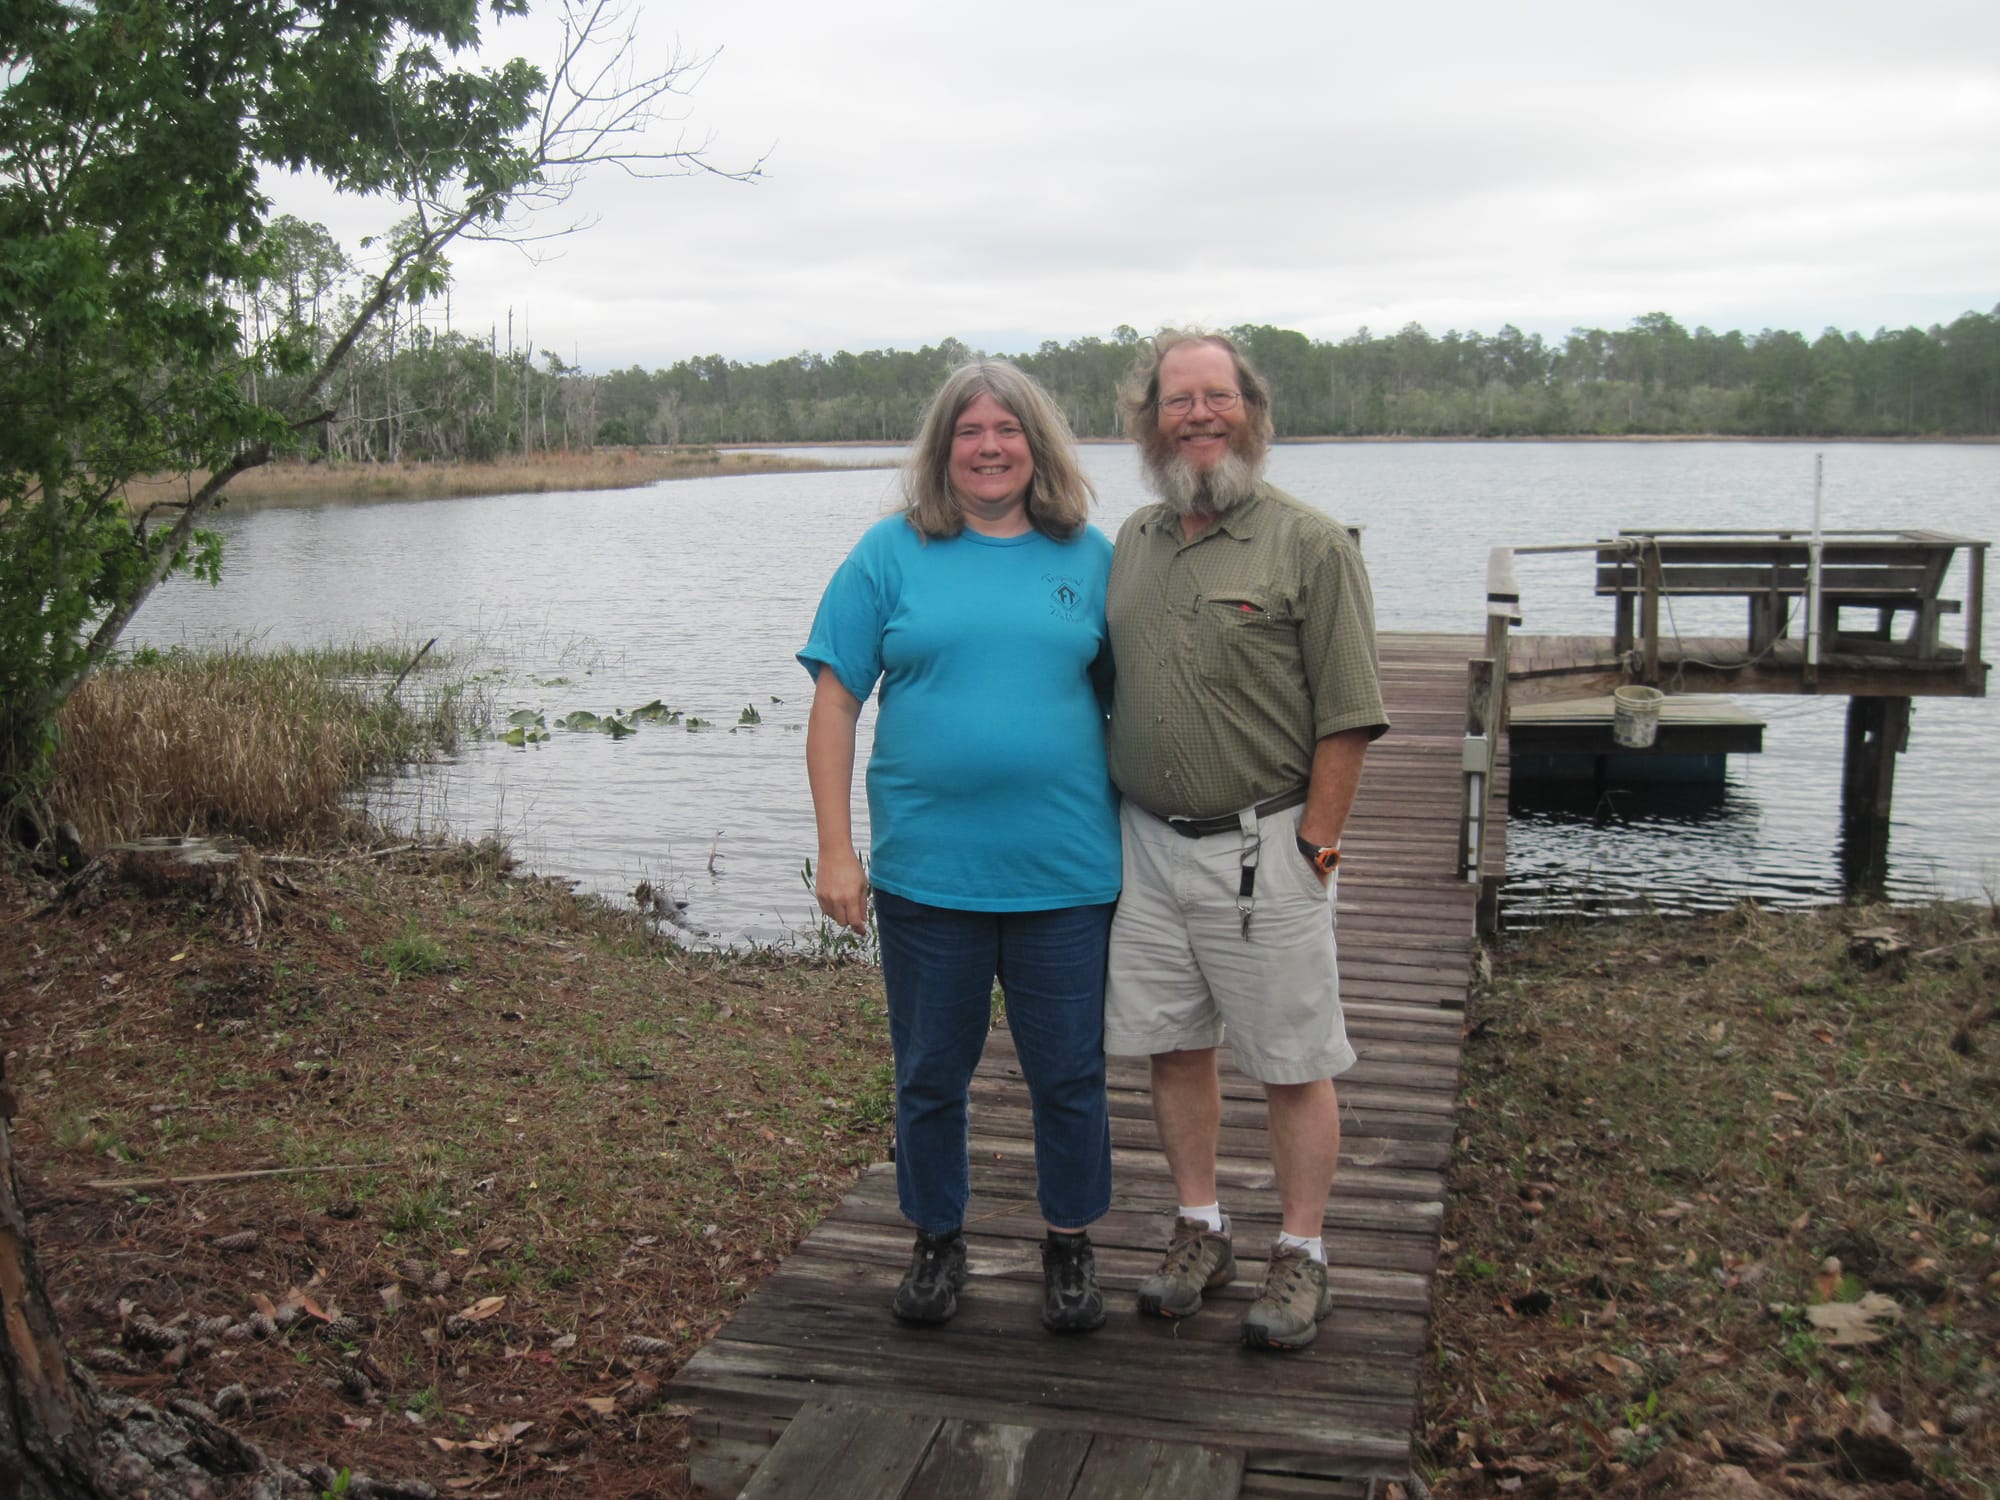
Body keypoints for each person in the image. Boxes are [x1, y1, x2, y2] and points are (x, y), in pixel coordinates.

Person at [800, 361, 1121, 1333]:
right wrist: (835, 850)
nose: (989, 446)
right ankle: (937, 1238)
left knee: (1067, 1071)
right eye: (968, 430)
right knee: (930, 1068)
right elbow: (834, 702)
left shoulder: (1092, 557)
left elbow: (1143, 702)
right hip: (927, 874)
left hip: (1064, 871)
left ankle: (1068, 1244)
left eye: (1008, 429)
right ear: (942, 450)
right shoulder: (887, 555)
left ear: (1038, 445)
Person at [1103, 329, 1388, 1351]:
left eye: (1216, 396)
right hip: (1144, 846)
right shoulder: (1129, 543)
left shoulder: (1309, 545)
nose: (1197, 415)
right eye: (1176, 400)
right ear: (1147, 423)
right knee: (1174, 1048)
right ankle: (1200, 1228)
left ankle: (1301, 1253)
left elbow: (1349, 710)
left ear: (1251, 414)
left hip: (1262, 843)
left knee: (1290, 1059)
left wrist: (1315, 842)